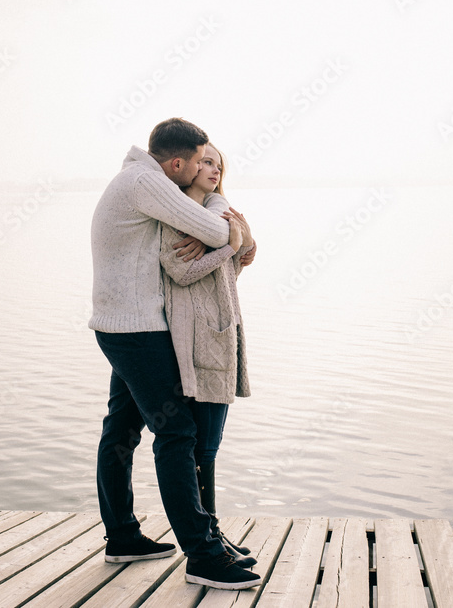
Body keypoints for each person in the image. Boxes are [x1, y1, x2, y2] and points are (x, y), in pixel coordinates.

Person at [89, 117, 261, 590]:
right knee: (177, 432)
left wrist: (230, 229)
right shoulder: (150, 181)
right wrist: (236, 234)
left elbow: (214, 223)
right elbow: (212, 227)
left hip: (122, 325)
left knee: (122, 428)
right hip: (138, 330)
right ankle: (203, 556)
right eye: (200, 162)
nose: (205, 171)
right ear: (179, 163)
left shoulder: (133, 177)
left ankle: (123, 536)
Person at [158, 143, 257, 567]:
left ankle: (213, 532)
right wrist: (227, 246)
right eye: (206, 162)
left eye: (219, 164)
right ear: (189, 165)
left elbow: (242, 257)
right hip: (196, 339)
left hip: (224, 331)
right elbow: (179, 270)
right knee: (201, 448)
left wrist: (239, 241)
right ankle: (207, 538)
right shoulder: (175, 214)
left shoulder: (221, 213)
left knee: (210, 446)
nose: (214, 169)